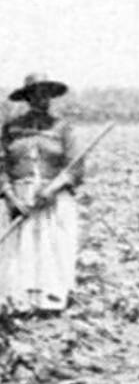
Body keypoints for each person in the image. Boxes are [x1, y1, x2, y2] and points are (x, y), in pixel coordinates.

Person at [0, 74, 82, 313]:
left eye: (45, 94)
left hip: (54, 196)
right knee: (21, 247)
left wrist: (53, 188)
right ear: (27, 98)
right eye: (36, 94)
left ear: (51, 97)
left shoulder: (63, 128)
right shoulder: (11, 128)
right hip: (20, 195)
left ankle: (52, 298)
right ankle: (20, 300)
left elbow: (75, 166)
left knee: (53, 244)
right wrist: (10, 196)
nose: (41, 99)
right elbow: (1, 165)